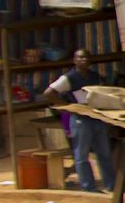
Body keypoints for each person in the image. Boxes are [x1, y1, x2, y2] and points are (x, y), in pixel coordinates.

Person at [41, 50, 109, 193]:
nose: (84, 60)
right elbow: (49, 93)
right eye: (80, 57)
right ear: (75, 60)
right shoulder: (69, 78)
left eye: (86, 57)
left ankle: (111, 184)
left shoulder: (95, 77)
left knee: (104, 153)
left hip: (96, 117)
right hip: (80, 119)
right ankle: (88, 187)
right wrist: (66, 107)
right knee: (82, 155)